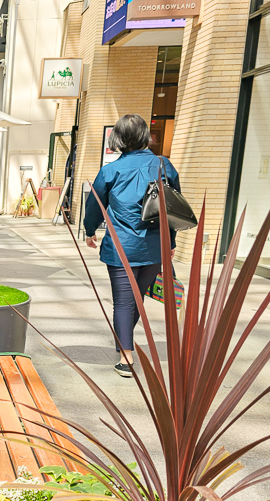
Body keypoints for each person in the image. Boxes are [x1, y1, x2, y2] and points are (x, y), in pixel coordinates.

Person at [84, 114, 179, 378]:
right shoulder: (164, 165)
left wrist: (90, 231)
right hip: (154, 247)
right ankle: (124, 342)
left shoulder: (110, 171)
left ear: (118, 138)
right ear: (144, 135)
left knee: (124, 302)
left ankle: (126, 358)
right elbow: (173, 207)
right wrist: (170, 242)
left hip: (121, 247)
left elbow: (95, 206)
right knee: (136, 299)